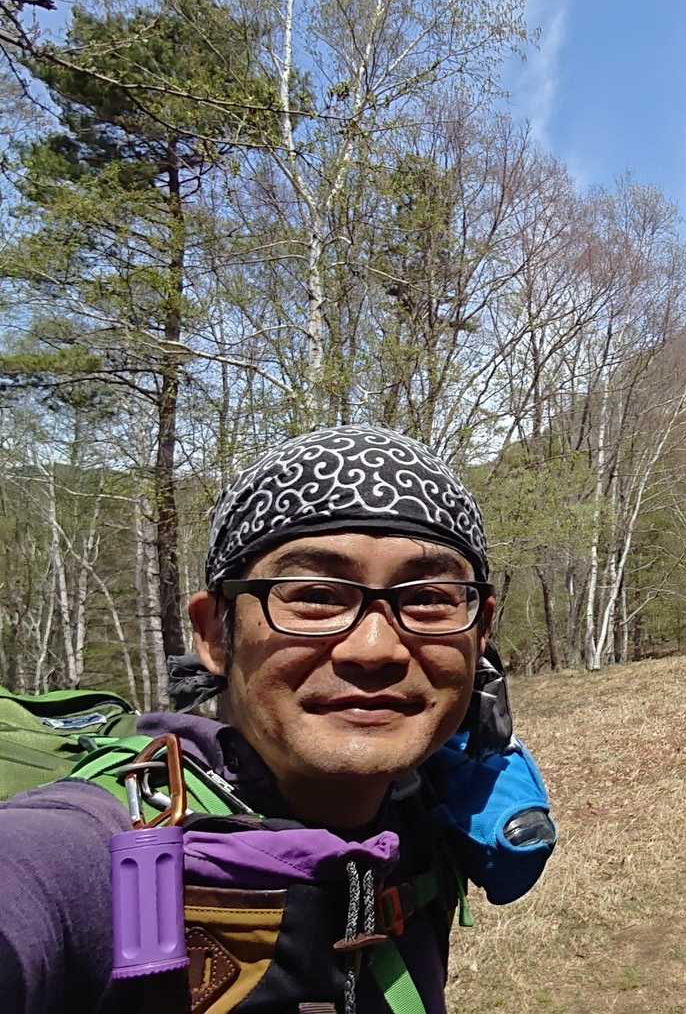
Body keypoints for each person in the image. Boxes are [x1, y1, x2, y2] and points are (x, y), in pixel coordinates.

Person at [0, 425, 548, 1014]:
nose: (375, 649)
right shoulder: (81, 850)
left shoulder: (434, 804)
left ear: (480, 632)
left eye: (428, 598)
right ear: (215, 633)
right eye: (315, 595)